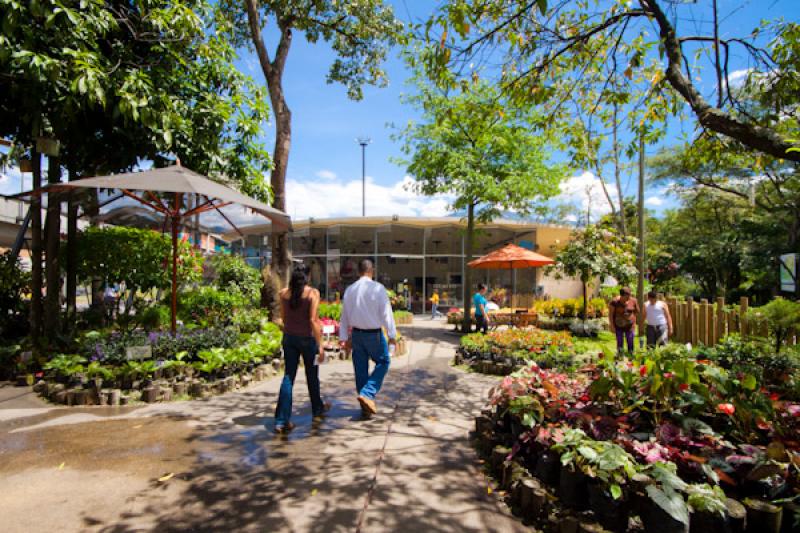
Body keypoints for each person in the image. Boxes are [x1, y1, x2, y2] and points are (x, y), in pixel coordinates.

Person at [274, 265, 329, 433]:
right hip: (307, 339)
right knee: (312, 376)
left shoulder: (283, 294)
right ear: (307, 277)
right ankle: (317, 409)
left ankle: (282, 420)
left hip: (289, 338)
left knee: (288, 376)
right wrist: (320, 345)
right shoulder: (312, 294)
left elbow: (283, 317)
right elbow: (313, 320)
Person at [339, 259, 397, 417]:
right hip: (374, 335)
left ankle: (365, 407)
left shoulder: (350, 290)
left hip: (356, 334)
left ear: (359, 272)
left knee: (360, 370)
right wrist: (392, 335)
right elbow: (386, 314)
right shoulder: (378, 289)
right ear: (372, 271)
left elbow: (344, 316)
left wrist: (344, 337)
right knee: (384, 361)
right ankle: (368, 394)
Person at [609, 287, 640, 355]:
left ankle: (631, 356)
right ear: (621, 296)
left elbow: (637, 312)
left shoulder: (633, 301)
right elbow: (611, 314)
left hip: (630, 326)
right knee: (620, 342)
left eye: (629, 295)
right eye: (627, 296)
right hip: (618, 325)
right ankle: (620, 356)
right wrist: (612, 325)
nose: (628, 298)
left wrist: (632, 319)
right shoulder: (614, 302)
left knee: (630, 341)